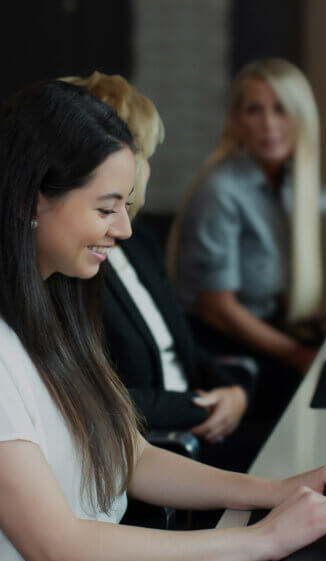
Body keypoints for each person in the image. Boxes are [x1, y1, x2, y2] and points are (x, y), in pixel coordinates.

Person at [0, 79, 326, 561]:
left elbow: (131, 457)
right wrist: (264, 538)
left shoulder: (48, 295)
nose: (123, 228)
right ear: (31, 201)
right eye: (106, 209)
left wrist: (279, 490)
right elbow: (60, 552)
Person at [66, 72, 269, 472]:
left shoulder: (139, 243)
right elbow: (99, 394)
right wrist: (202, 408)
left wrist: (234, 393)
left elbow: (183, 347)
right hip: (161, 448)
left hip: (198, 424)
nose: (146, 170)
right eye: (144, 155)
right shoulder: (76, 265)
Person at [168, 59, 323, 414]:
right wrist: (297, 353)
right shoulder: (221, 191)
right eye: (255, 110)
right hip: (221, 351)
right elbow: (217, 310)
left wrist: (313, 327)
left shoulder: (284, 186)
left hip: (262, 335)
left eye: (281, 109)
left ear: (302, 118)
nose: (269, 124)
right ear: (236, 122)